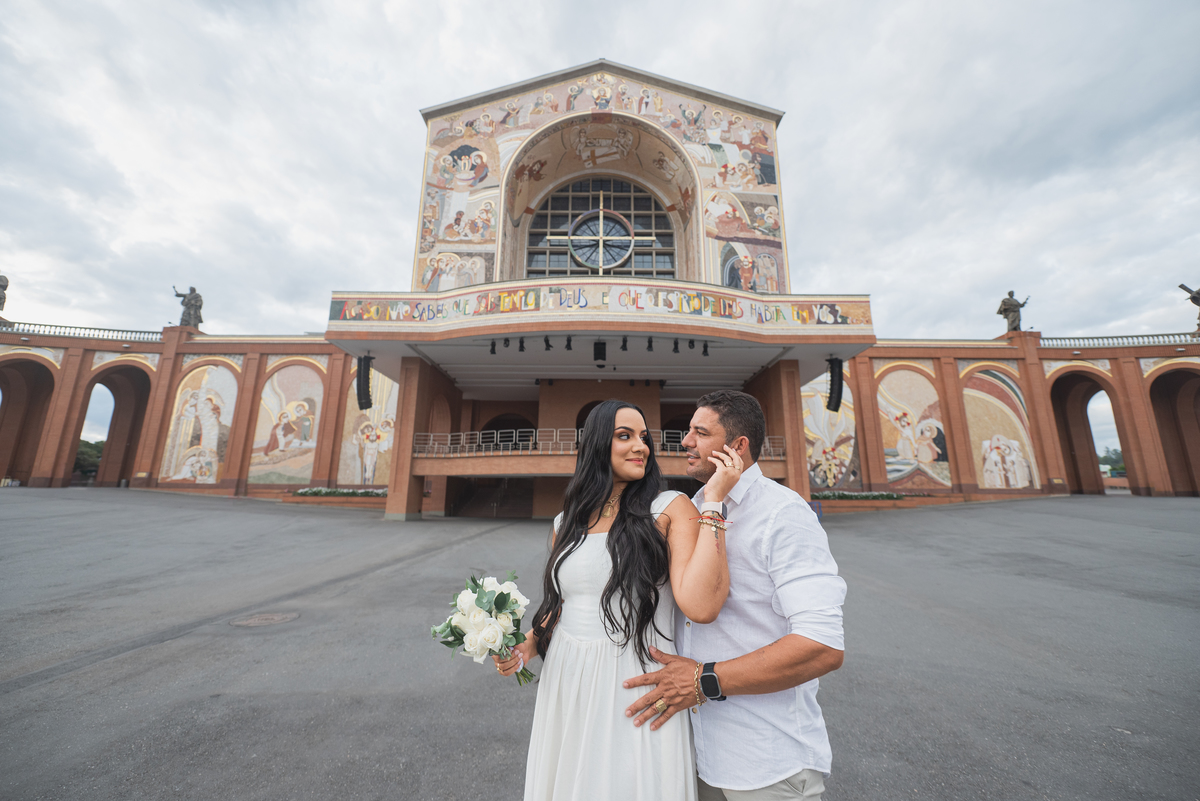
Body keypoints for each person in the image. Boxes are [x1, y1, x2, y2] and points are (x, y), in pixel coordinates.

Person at [494, 399, 741, 800]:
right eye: (624, 436)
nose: (640, 446)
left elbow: (702, 605)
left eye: (644, 437)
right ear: (595, 445)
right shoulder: (565, 522)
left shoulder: (669, 508)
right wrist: (527, 646)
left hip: (636, 681)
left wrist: (712, 502)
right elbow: (560, 604)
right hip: (567, 679)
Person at [622, 390, 847, 800]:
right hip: (692, 758)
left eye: (699, 432)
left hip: (765, 762)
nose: (685, 441)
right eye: (688, 431)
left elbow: (822, 646)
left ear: (737, 447)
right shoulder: (689, 507)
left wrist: (702, 680)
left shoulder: (784, 515)